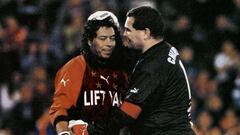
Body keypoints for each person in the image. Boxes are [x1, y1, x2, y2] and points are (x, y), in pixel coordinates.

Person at [74, 6, 195, 135]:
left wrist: (89, 131)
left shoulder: (152, 66)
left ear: (146, 33)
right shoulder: (164, 50)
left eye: (128, 30)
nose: (124, 34)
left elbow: (128, 113)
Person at [49, 11, 136, 135]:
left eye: (112, 38)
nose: (109, 44)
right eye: (103, 38)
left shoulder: (123, 71)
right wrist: (64, 132)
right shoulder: (75, 67)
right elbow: (60, 108)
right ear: (90, 40)